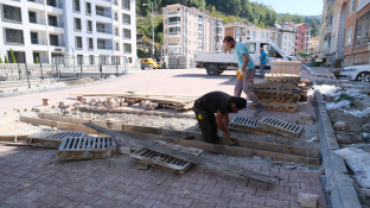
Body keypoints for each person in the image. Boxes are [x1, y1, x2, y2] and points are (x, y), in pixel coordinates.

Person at [223, 36, 264, 115]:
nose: (227, 45)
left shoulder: (240, 46)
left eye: (227, 43)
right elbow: (240, 60)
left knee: (246, 89)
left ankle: (259, 105)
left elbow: (246, 59)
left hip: (249, 70)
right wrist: (239, 70)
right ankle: (234, 106)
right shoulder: (233, 48)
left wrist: (242, 70)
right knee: (237, 88)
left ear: (231, 41)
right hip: (243, 70)